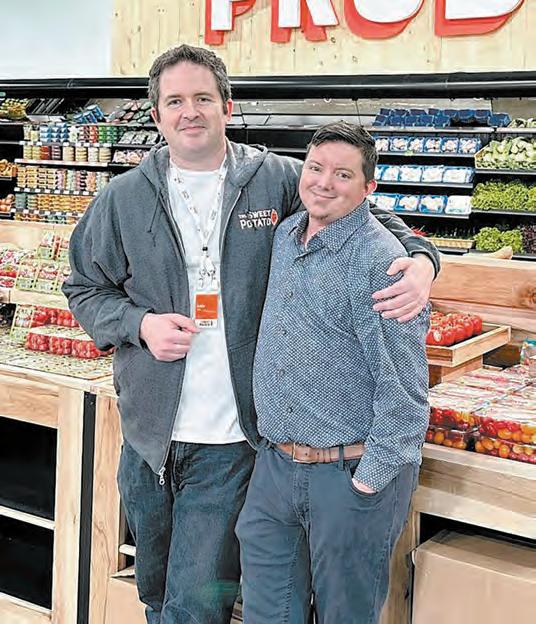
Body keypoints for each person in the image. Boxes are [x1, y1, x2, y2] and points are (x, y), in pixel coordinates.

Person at [63, 45, 439, 624]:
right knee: (155, 591)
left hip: (234, 439)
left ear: (228, 106)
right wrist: (138, 324)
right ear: (156, 115)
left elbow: (361, 213)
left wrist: (423, 262)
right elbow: (85, 288)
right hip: (149, 438)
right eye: (175, 101)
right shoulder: (122, 198)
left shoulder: (274, 179)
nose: (190, 112)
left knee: (196, 603)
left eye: (203, 98)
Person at [236, 122, 430, 624]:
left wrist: (369, 482)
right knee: (266, 612)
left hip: (346, 474)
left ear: (369, 188)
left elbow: (405, 388)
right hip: (276, 468)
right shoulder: (285, 236)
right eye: (316, 168)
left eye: (343, 174)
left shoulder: (382, 262)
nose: (324, 182)